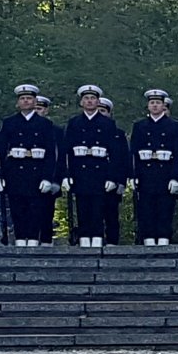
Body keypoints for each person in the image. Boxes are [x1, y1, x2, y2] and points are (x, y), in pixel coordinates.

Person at [0, 84, 56, 246]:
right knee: (18, 208)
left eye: (29, 98)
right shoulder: (9, 123)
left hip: (37, 171)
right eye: (22, 98)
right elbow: (0, 151)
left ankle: (33, 239)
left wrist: (47, 177)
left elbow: (50, 153)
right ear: (18, 103)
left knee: (36, 209)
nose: (26, 101)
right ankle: (21, 239)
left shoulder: (44, 124)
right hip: (15, 172)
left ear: (35, 101)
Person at [63, 84, 118, 248]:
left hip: (100, 171)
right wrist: (66, 175)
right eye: (86, 98)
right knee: (82, 207)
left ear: (98, 101)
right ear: (81, 102)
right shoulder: (74, 123)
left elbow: (115, 153)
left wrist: (112, 177)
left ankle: (97, 238)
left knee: (98, 208)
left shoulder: (107, 124)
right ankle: (84, 238)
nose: (89, 101)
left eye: (93, 98)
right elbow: (67, 151)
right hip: (80, 172)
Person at [129, 89, 178, 245]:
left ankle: (163, 238)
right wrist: (133, 175)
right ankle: (147, 238)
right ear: (148, 106)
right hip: (145, 174)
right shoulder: (140, 126)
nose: (155, 106)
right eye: (152, 103)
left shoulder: (173, 126)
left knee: (164, 208)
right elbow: (133, 153)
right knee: (146, 208)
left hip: (165, 174)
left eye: (158, 103)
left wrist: (177, 178)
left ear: (163, 105)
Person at [96, 97, 129, 246]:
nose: (100, 114)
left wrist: (121, 181)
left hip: (112, 181)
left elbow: (122, 159)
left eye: (103, 111)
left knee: (111, 213)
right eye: (98, 110)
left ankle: (112, 241)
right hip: (94, 178)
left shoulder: (117, 133)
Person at [33, 95, 63, 246]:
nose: (37, 111)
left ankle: (45, 240)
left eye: (40, 108)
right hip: (27, 176)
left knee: (46, 211)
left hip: (49, 178)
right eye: (35, 108)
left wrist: (57, 179)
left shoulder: (55, 130)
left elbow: (59, 156)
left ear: (46, 110)